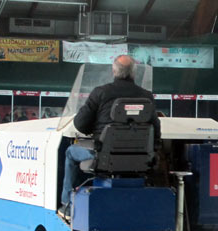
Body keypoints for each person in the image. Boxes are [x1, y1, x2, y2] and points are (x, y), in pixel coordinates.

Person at [58, 55, 161, 220]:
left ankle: (67, 205)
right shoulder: (146, 97)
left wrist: (97, 128)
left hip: (103, 158)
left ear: (113, 71)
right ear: (134, 74)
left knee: (70, 152)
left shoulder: (100, 93)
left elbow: (80, 124)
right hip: (139, 161)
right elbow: (156, 129)